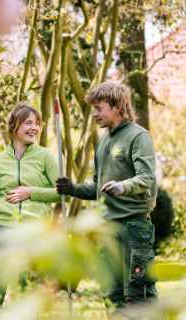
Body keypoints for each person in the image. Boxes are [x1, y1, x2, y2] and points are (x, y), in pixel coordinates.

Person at [56, 82, 157, 312]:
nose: (94, 114)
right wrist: (72, 188)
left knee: (139, 293)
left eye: (99, 108)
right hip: (108, 229)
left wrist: (123, 187)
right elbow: (97, 187)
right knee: (112, 295)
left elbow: (146, 178)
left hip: (134, 227)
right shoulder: (103, 143)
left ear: (118, 107)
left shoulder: (138, 137)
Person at [0, 104, 60, 320]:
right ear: (15, 125)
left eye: (37, 123)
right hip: (1, 232)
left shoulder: (45, 157)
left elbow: (63, 193)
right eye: (28, 123)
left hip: (33, 233)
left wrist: (31, 192)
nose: (34, 128)